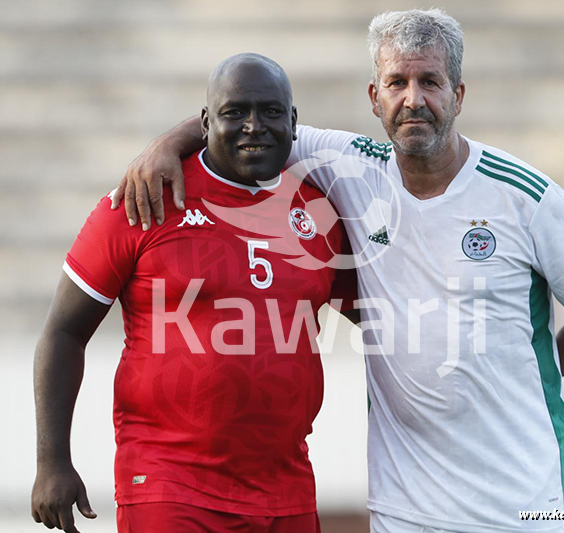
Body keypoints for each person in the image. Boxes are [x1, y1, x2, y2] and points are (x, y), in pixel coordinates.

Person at [113, 9, 564, 533]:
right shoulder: (349, 166)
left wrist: (532, 376)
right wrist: (170, 143)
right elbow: (247, 121)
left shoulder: (526, 197)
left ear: (458, 95)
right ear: (374, 97)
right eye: (396, 83)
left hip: (518, 503)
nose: (413, 99)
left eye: (430, 81)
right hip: (402, 509)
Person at [32, 53, 358, 533]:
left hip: (286, 487)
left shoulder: (318, 214)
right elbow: (62, 333)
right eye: (233, 113)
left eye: (270, 112)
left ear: (293, 121)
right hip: (170, 485)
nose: (253, 126)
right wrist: (52, 461)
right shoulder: (145, 198)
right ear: (205, 122)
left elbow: (380, 319)